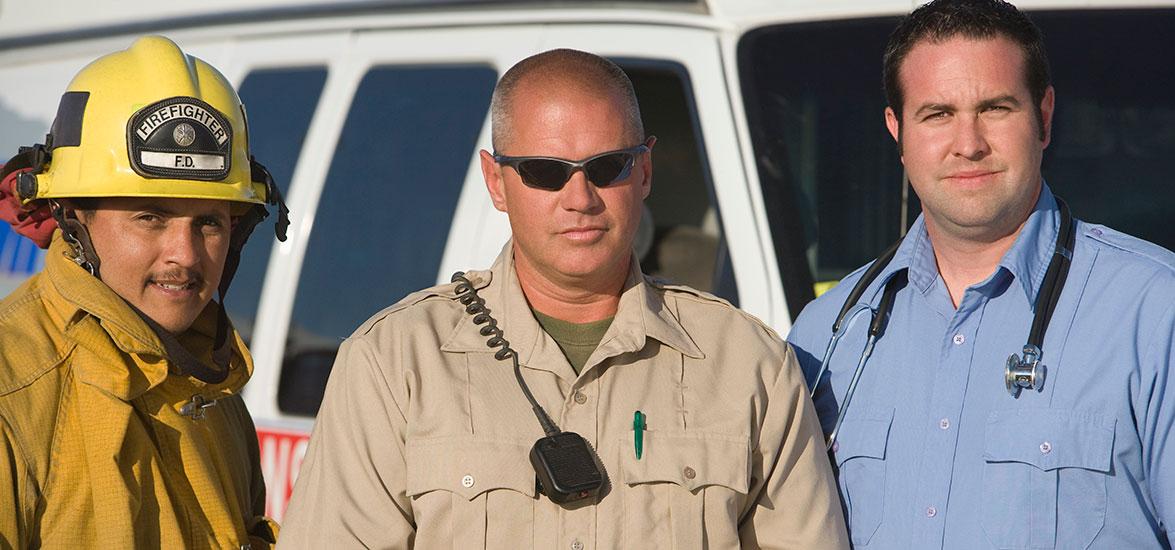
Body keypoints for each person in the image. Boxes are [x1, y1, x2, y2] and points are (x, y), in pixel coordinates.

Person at [279, 48, 848, 549]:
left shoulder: (750, 365)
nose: (580, 197)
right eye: (545, 172)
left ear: (644, 171)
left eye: (606, 167)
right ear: (497, 181)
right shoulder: (394, 364)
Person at [787, 1, 1174, 548]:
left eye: (995, 108)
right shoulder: (827, 334)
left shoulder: (1156, 313)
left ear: (1044, 116)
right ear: (896, 130)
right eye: (938, 114)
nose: (968, 144)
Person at [0, 36, 289, 548]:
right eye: (150, 217)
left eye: (208, 222)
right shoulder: (13, 393)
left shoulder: (213, 389)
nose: (185, 254)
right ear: (73, 216)